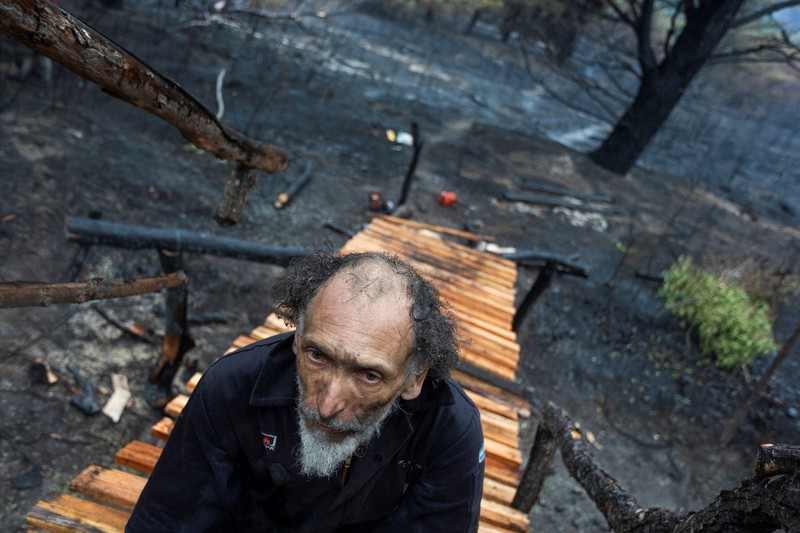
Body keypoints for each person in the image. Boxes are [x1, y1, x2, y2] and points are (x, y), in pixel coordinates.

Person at [126, 250, 485, 532]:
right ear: (297, 338)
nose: (327, 405)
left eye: (369, 376)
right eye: (317, 356)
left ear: (414, 378)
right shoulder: (232, 386)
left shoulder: (450, 431)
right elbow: (168, 519)